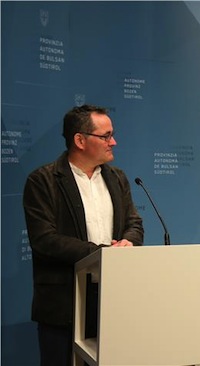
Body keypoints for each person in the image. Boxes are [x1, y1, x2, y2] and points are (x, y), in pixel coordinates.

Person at [23, 104, 144, 366]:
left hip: (113, 302)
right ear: (79, 140)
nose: (114, 141)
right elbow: (44, 239)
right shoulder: (43, 180)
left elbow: (134, 222)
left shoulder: (118, 178)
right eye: (106, 136)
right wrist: (102, 253)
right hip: (64, 305)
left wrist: (129, 242)